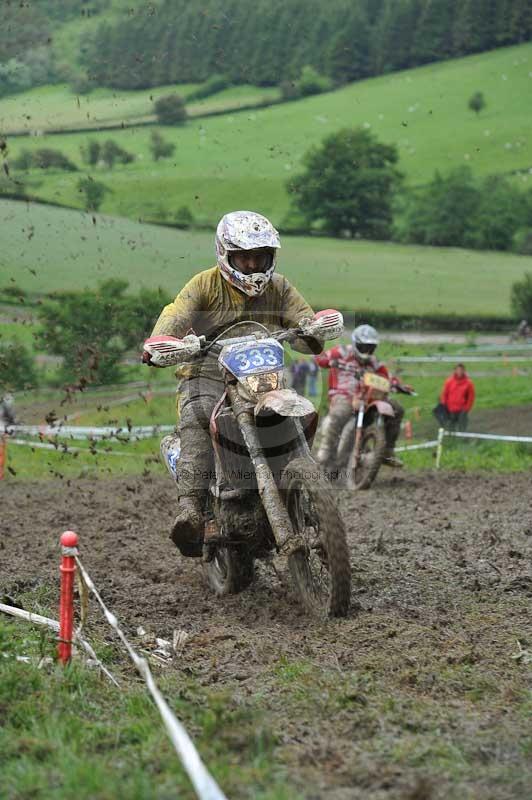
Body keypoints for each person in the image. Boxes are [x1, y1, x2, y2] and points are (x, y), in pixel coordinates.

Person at [144, 210, 324, 556]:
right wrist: (163, 341)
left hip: (263, 374)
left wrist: (312, 328)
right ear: (226, 254)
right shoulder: (203, 285)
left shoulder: (280, 287)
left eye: (261, 257)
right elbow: (176, 315)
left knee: (296, 411)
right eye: (245, 257)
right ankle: (192, 509)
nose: (254, 265)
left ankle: (305, 489)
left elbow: (305, 325)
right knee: (197, 415)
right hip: (207, 374)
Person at [315, 324, 405, 468]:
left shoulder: (374, 361)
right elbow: (320, 358)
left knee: (396, 409)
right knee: (340, 413)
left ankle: (387, 450)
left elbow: (387, 376)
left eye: (370, 347)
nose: (367, 350)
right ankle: (325, 451)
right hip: (344, 395)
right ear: (356, 343)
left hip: (367, 397)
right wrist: (329, 361)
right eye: (363, 346)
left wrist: (398, 385)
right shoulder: (342, 352)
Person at [438, 363, 475, 431]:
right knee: (450, 428)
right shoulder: (449, 381)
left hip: (462, 409)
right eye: (458, 370)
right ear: (455, 371)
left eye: (461, 370)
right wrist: (444, 406)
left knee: (462, 428)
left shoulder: (469, 383)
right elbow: (444, 394)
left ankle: (462, 440)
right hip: (450, 408)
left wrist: (467, 408)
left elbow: (471, 397)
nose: (459, 372)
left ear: (464, 371)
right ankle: (452, 440)